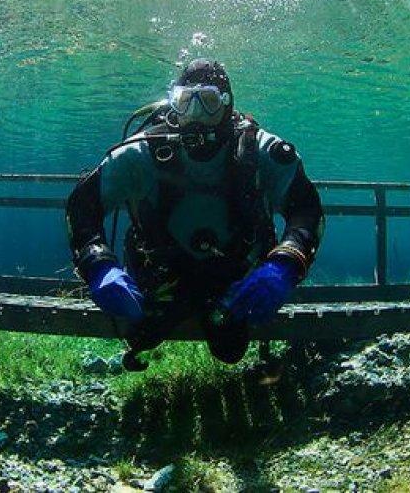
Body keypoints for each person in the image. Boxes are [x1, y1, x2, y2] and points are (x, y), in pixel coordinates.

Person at [65, 59, 323, 369]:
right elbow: (83, 205)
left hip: (236, 281)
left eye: (209, 103)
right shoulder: (139, 155)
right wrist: (98, 265)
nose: (196, 115)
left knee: (230, 350)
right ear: (173, 102)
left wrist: (284, 265)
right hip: (159, 279)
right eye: (187, 102)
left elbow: (305, 209)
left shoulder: (261, 153)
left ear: (227, 106)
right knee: (141, 335)